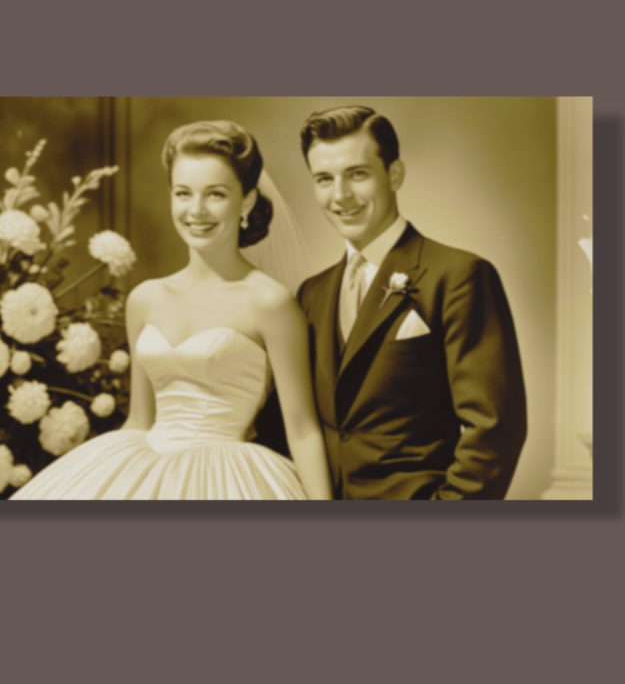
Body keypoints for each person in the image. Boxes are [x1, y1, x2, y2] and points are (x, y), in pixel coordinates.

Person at [12, 121, 333, 501]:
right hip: (146, 463)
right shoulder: (145, 298)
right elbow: (140, 419)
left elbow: (302, 429)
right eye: (183, 193)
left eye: (215, 194)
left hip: (229, 482)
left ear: (246, 200)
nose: (196, 210)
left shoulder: (269, 302)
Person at [296, 106, 527, 500]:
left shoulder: (459, 275)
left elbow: (494, 428)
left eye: (357, 174)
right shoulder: (311, 294)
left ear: (395, 175)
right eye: (323, 179)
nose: (340, 196)